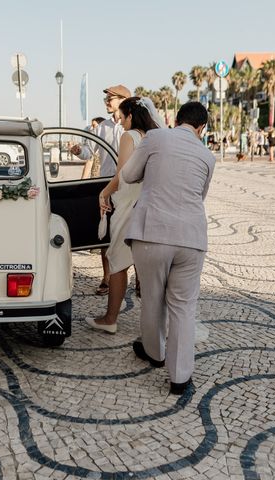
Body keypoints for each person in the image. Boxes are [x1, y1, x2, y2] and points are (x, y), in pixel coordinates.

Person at [121, 101, 215, 395]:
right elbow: (200, 195)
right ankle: (180, 378)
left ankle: (155, 353)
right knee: (184, 308)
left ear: (176, 119)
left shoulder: (156, 137)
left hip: (152, 233)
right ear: (202, 128)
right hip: (191, 237)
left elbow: (127, 175)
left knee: (152, 298)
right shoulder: (208, 156)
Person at [85, 97, 162, 334]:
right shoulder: (156, 137)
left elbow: (123, 175)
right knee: (148, 267)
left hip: (129, 206)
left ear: (130, 116)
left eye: (122, 115)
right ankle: (157, 323)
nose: (119, 121)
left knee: (118, 262)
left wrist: (103, 192)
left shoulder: (130, 137)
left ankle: (110, 319)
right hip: (150, 205)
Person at [70, 85, 131, 295]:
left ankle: (139, 279)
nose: (106, 101)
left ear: (123, 100)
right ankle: (106, 278)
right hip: (106, 186)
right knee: (105, 233)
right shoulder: (102, 127)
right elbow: (89, 152)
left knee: (132, 233)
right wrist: (79, 151)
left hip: (129, 187)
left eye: (110, 98)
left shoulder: (131, 126)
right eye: (105, 98)